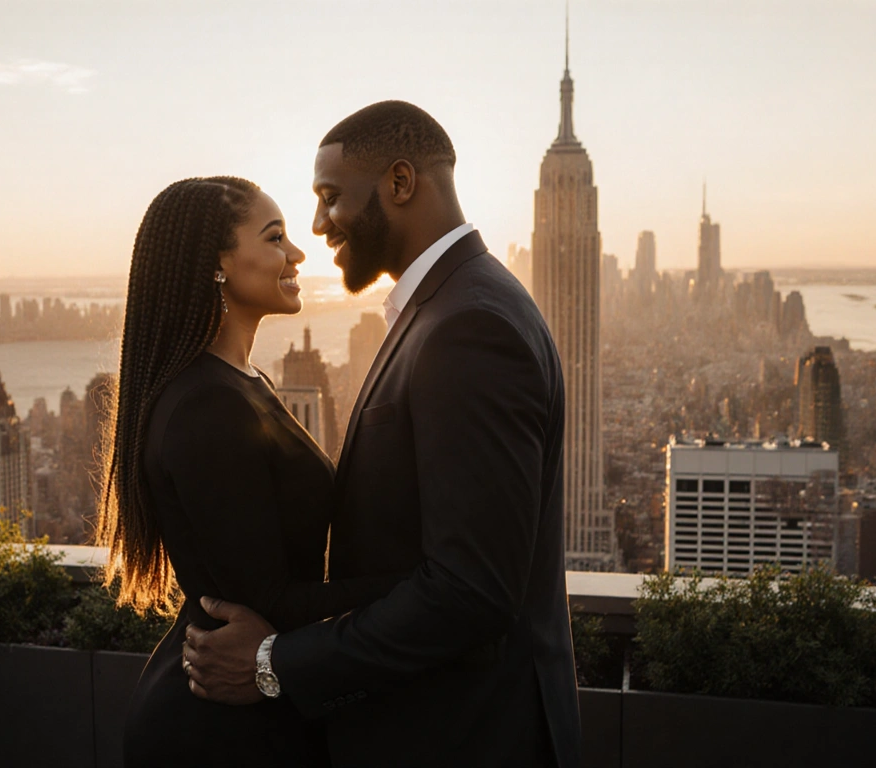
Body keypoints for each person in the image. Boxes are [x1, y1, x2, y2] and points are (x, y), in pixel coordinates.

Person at [182, 101, 585, 767]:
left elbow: (469, 591)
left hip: (465, 740)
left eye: (330, 197)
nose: (318, 225)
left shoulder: (468, 326)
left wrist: (274, 664)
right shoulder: (451, 307)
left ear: (400, 183)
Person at [98, 176, 404, 767]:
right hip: (218, 729)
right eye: (275, 238)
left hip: (247, 705)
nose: (297, 253)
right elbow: (265, 600)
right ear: (218, 265)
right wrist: (422, 583)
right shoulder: (206, 405)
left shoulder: (240, 381)